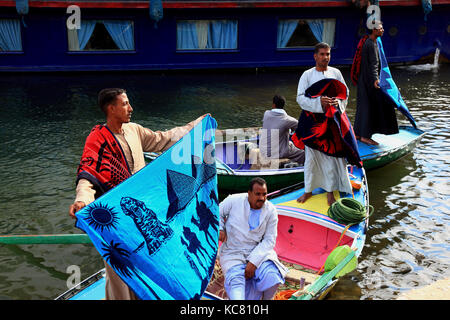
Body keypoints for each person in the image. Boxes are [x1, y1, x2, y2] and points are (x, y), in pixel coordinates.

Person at [68, 88, 205, 300]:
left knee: (146, 268)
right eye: (125, 104)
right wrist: (82, 200)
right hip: (118, 222)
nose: (130, 108)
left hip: (143, 210)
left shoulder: (135, 131)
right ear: (111, 108)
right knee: (120, 275)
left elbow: (164, 139)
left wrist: (195, 126)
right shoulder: (98, 140)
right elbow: (88, 175)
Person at [294, 42, 354, 206]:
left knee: (331, 158)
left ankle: (330, 192)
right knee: (311, 159)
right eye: (322, 54)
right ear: (315, 56)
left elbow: (345, 93)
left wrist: (337, 102)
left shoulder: (336, 73)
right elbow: (300, 98)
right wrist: (319, 102)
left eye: (328, 54)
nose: (325, 57)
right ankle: (308, 191)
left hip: (331, 122)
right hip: (312, 123)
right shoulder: (307, 75)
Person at [218, 177, 288, 300]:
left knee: (273, 277)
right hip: (233, 252)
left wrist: (253, 262)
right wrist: (220, 228)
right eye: (257, 194)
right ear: (249, 193)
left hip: (258, 251)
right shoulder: (234, 200)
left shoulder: (271, 210)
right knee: (237, 291)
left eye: (264, 194)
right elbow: (216, 212)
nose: (261, 198)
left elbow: (269, 240)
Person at [353, 21, 399, 145]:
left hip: (363, 79)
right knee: (370, 107)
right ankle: (365, 136)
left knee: (362, 106)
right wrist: (375, 79)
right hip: (369, 81)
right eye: (380, 28)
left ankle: (357, 133)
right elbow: (374, 63)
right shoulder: (372, 44)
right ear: (374, 30)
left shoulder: (366, 41)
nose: (383, 30)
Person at [259, 95, 305, 165]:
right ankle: (301, 167)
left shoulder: (266, 114)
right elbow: (303, 128)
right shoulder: (288, 120)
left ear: (273, 105)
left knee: (290, 144)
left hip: (263, 150)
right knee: (302, 153)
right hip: (277, 153)